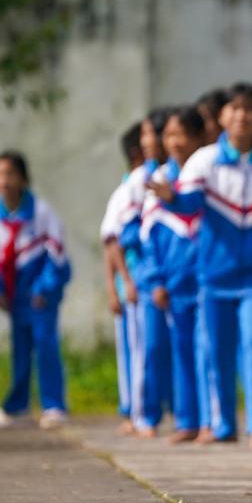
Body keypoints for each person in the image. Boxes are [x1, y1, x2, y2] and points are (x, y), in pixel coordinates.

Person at [148, 83, 252, 450]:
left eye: (250, 109)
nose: (241, 116)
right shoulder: (204, 160)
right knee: (214, 351)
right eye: (234, 108)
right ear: (221, 117)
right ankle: (221, 425)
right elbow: (188, 204)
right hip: (213, 276)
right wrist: (172, 198)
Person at [0, 151, 72, 430]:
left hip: (40, 290)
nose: (4, 181)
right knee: (20, 349)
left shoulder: (41, 211)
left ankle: (53, 405)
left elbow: (57, 254)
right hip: (14, 290)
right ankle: (18, 406)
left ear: (23, 179)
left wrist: (44, 288)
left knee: (45, 344)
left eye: (10, 174)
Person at [141, 106, 208, 443]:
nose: (175, 142)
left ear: (198, 138)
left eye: (182, 134)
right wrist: (155, 280)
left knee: (207, 351)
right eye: (169, 135)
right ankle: (187, 420)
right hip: (174, 281)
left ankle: (211, 420)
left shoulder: (206, 173)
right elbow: (147, 237)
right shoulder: (159, 181)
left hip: (207, 277)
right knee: (180, 351)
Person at [119, 107, 174, 437]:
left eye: (151, 134)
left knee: (181, 349)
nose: (146, 142)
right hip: (149, 278)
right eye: (143, 135)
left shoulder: (183, 173)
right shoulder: (140, 179)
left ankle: (182, 414)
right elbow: (126, 231)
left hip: (180, 276)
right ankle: (146, 415)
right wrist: (145, 273)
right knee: (150, 348)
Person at [99, 122, 144, 435]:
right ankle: (131, 411)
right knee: (132, 350)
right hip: (131, 285)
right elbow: (111, 241)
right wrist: (117, 286)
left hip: (149, 283)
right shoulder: (125, 192)